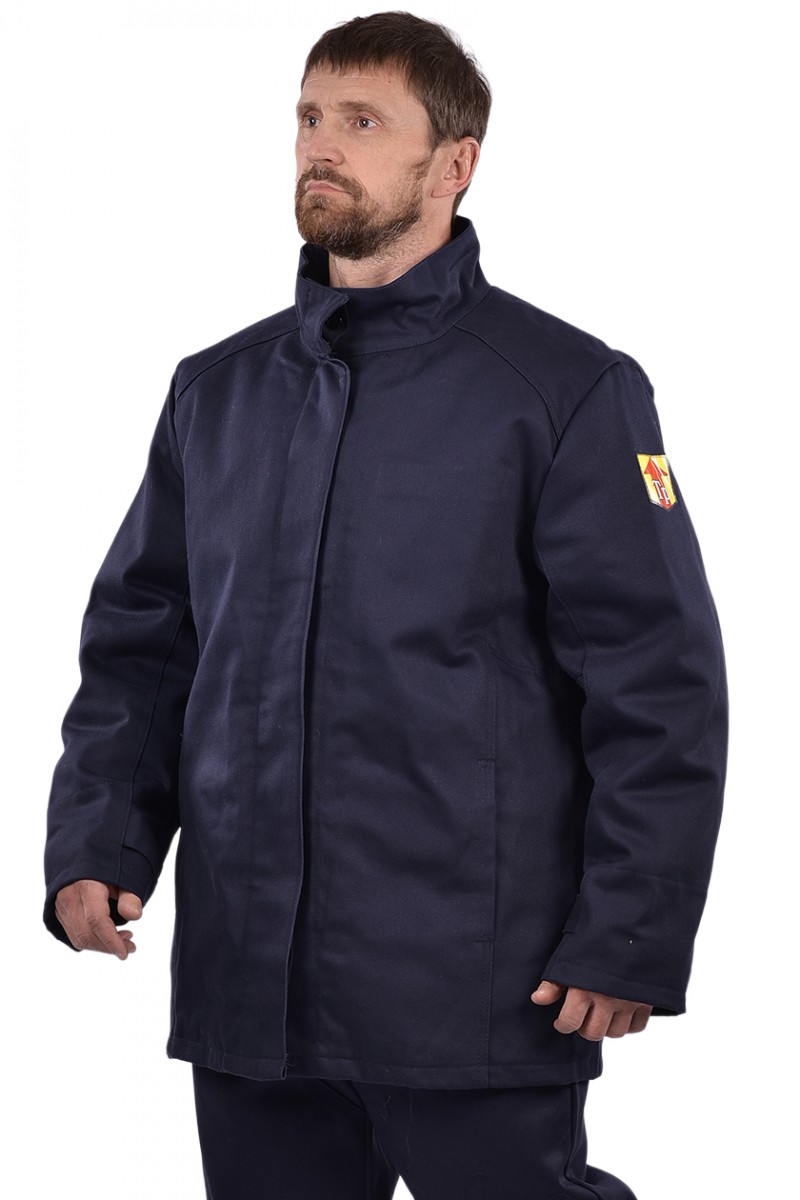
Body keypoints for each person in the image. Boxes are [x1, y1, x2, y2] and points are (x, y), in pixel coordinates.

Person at [44, 11, 727, 1199]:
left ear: (453, 163)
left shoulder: (565, 391)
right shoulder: (218, 391)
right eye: (310, 116)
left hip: (475, 979)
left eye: (362, 121)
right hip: (249, 983)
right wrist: (98, 843)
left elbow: (655, 683)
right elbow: (145, 647)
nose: (322, 144)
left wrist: (628, 932)